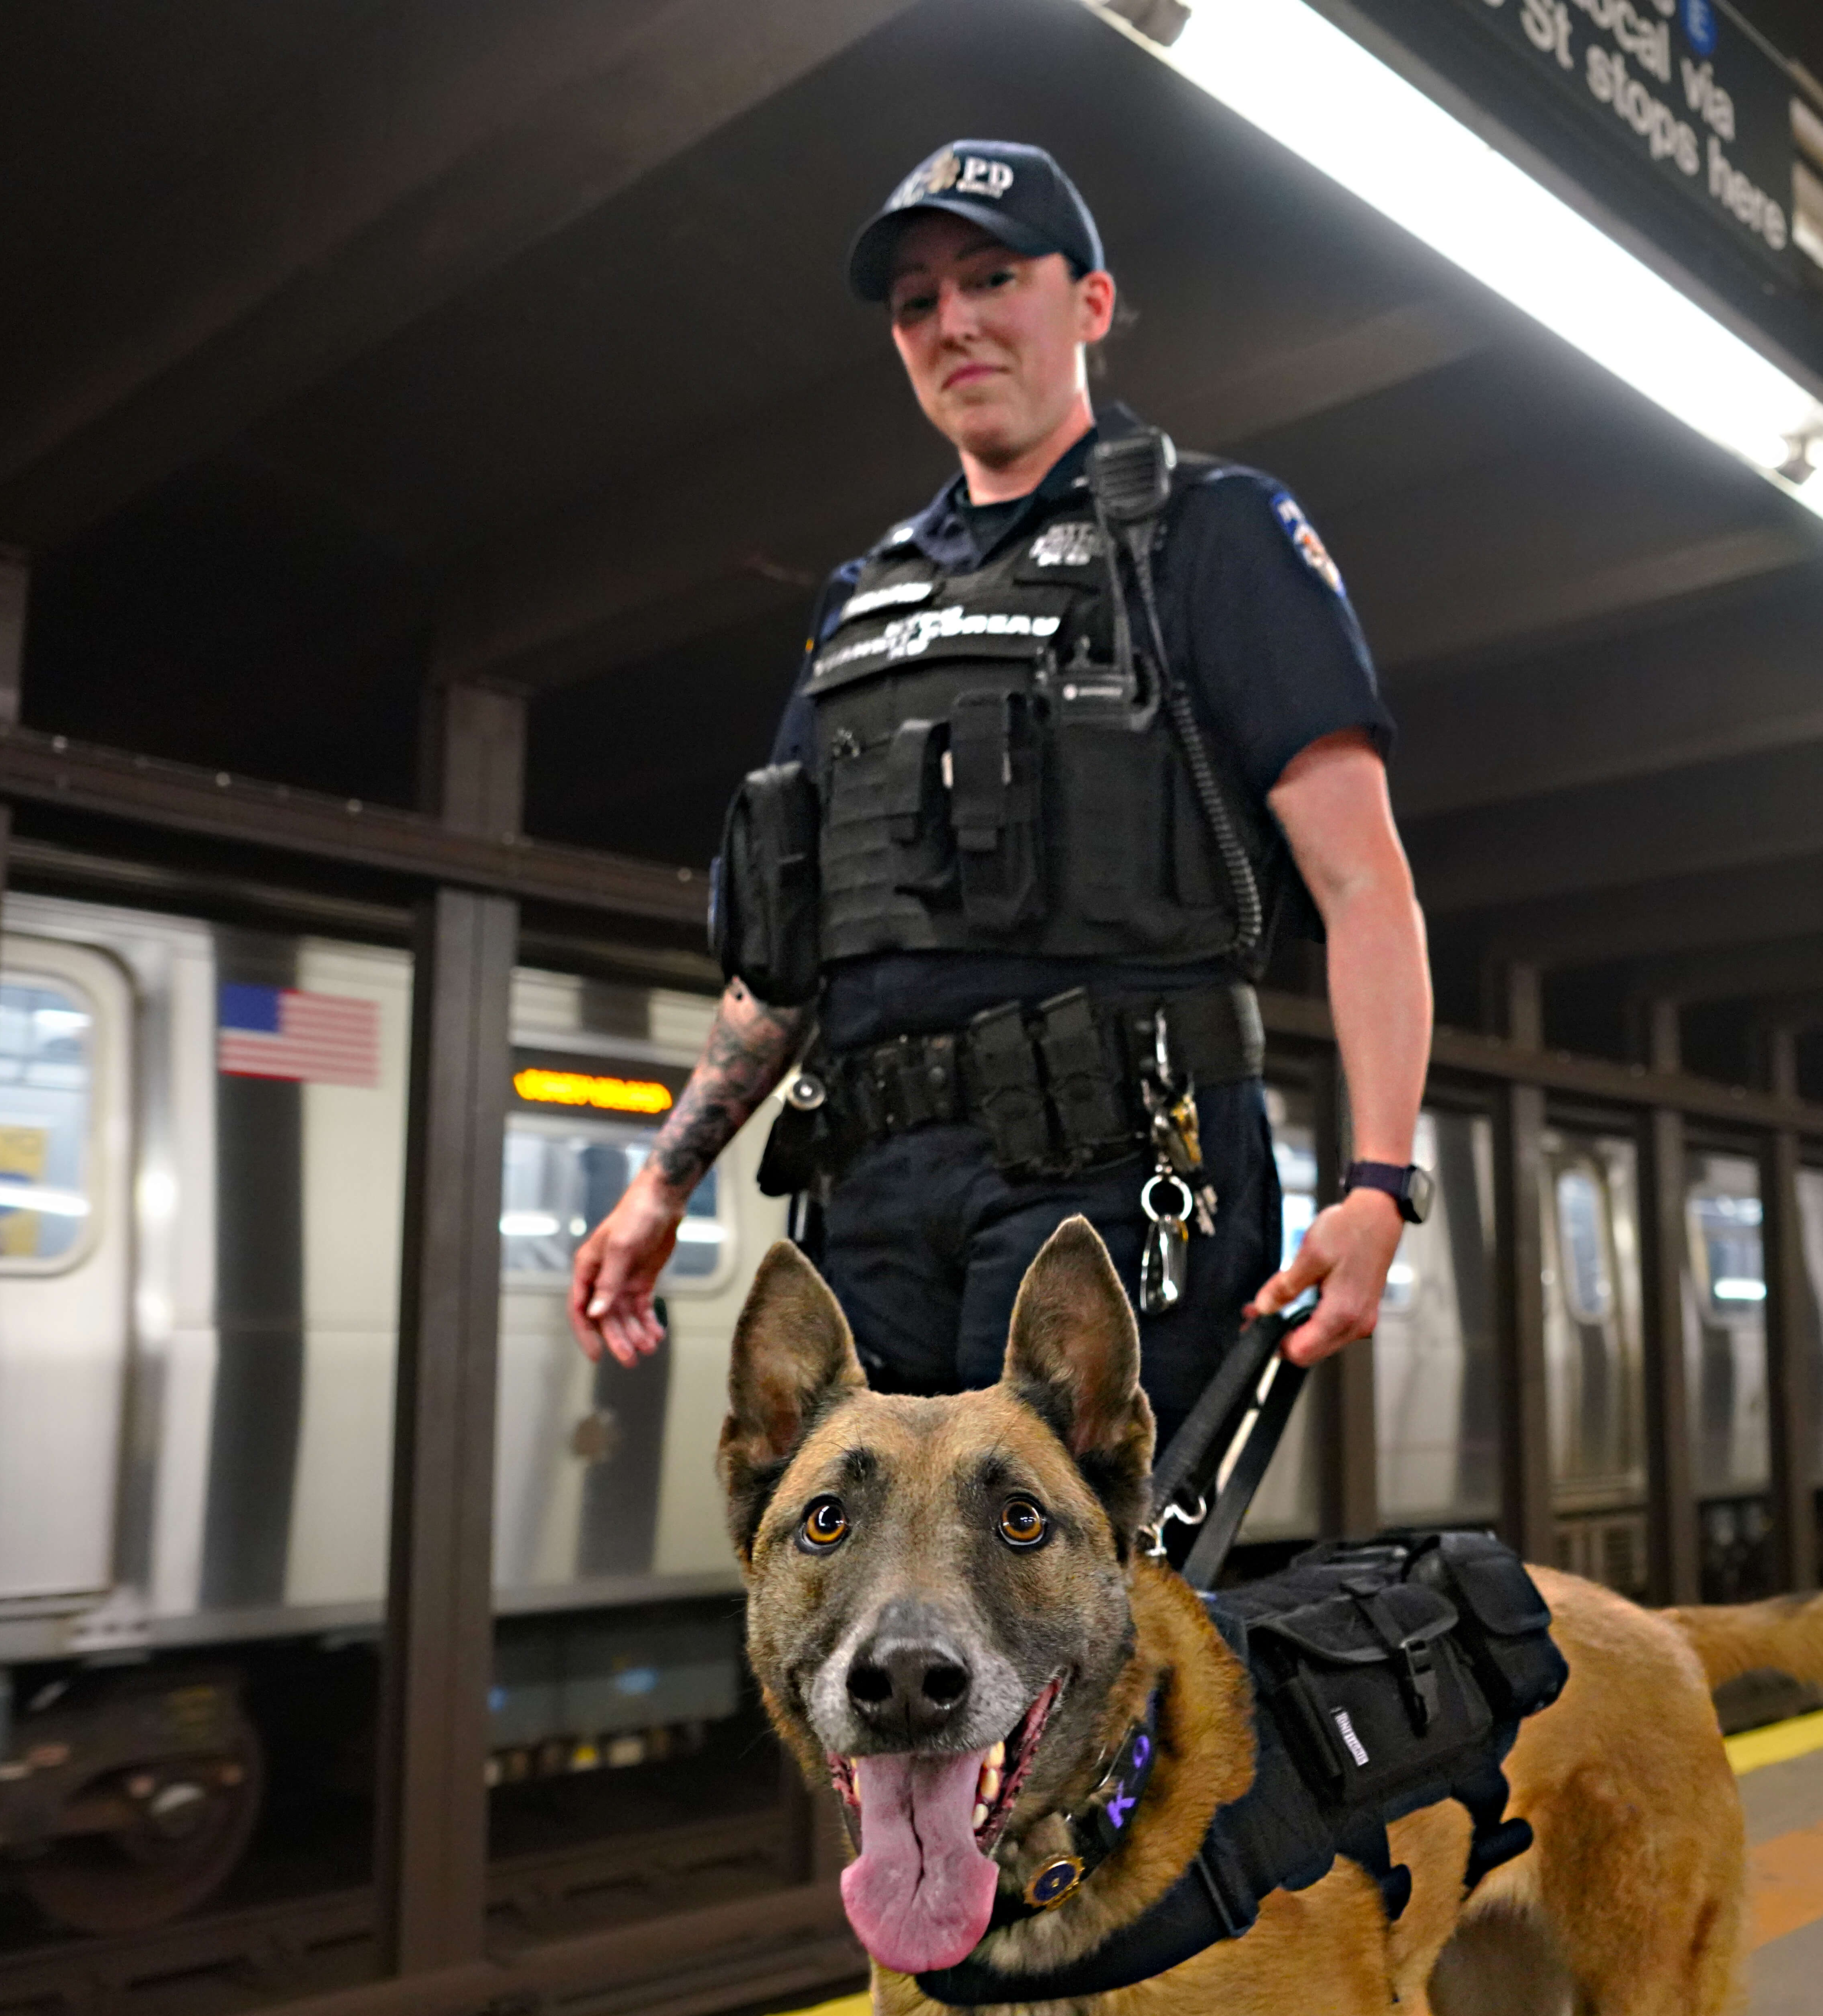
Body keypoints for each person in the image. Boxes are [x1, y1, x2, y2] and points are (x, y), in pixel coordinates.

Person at [569, 139, 1432, 1429]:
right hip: (874, 1188)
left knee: (1060, 1557)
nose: (953, 323)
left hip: (1120, 1170)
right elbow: (791, 951)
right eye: (916, 302)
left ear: (1091, 302)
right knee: (867, 1558)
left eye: (991, 278)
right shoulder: (864, 602)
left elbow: (1364, 883)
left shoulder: (1211, 534)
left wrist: (1380, 1183)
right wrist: (662, 1182)